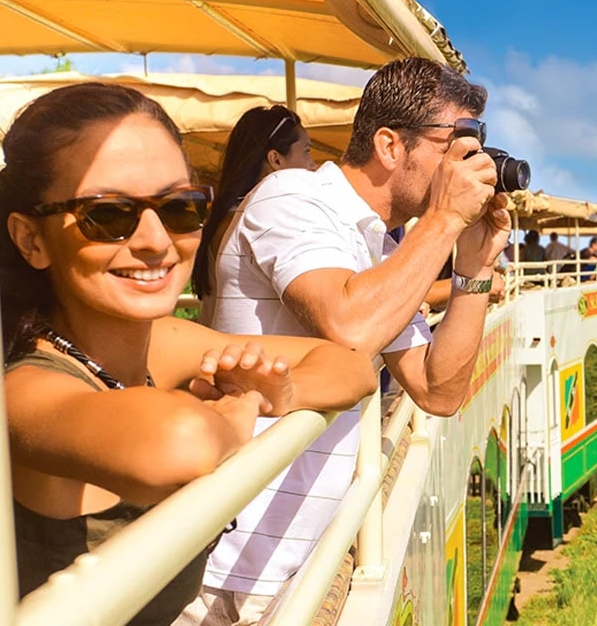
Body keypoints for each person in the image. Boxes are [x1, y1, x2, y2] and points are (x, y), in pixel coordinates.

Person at [0, 83, 378, 626]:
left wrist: (282, 392)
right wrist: (240, 407)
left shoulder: (162, 339)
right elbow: (182, 440)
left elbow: (350, 365)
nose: (156, 240)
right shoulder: (24, 387)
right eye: (107, 213)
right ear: (31, 239)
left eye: (180, 208)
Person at [187, 57, 510, 624]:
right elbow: (350, 326)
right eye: (455, 146)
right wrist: (442, 223)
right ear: (390, 145)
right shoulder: (292, 195)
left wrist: (474, 271)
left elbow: (438, 389)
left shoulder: (384, 249)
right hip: (235, 566)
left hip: (299, 558)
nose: (469, 166)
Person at [192, 106, 315, 323]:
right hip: (244, 353)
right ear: (276, 160)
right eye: (306, 151)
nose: (313, 165)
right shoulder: (261, 221)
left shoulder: (225, 217)